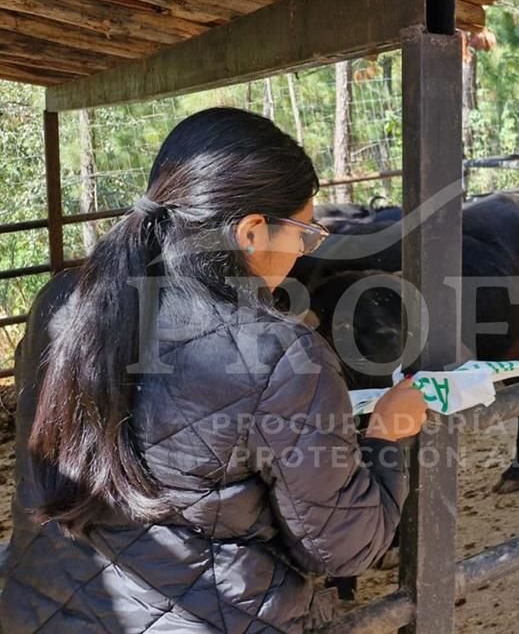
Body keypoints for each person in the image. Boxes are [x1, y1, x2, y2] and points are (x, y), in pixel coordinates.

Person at [0, 107, 427, 633]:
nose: (303, 250)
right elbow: (341, 548)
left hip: (37, 611)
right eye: (303, 234)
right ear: (251, 232)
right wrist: (386, 436)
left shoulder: (62, 302)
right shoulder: (282, 354)